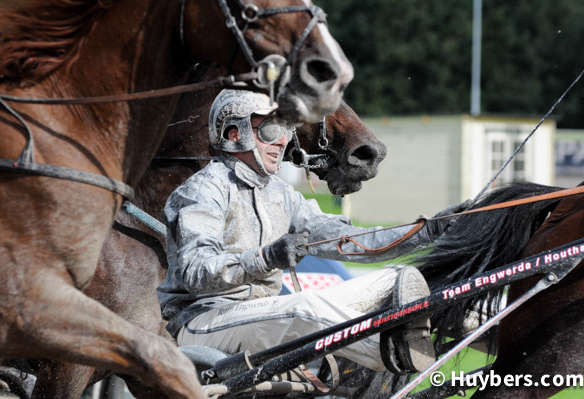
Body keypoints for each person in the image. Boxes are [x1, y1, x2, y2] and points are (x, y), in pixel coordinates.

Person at [157, 89, 456, 373]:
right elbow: (194, 273)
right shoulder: (201, 190)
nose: (283, 141)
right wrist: (266, 257)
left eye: (286, 130)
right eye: (272, 130)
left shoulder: (282, 194)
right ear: (235, 135)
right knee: (306, 307)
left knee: (394, 280)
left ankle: (452, 331)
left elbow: (346, 240)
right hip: (200, 322)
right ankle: (395, 352)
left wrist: (427, 231)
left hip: (262, 313)